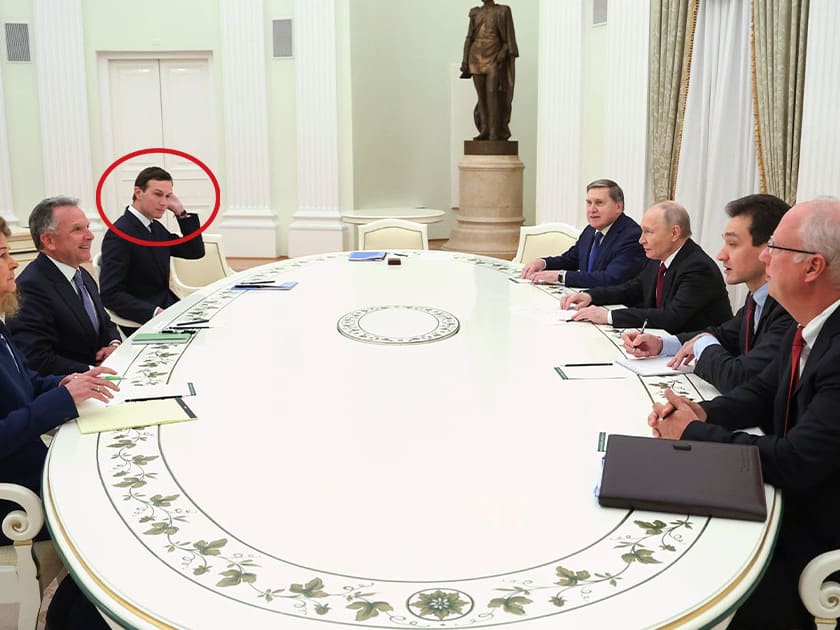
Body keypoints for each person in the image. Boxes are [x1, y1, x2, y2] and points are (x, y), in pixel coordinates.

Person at [649, 199, 840, 629]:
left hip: (814, 530)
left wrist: (696, 433)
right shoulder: (807, 323)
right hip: (792, 496)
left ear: (812, 267)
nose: (766, 257)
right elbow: (759, 392)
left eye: (777, 248)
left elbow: (796, 460)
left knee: (692, 575)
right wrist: (700, 412)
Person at [0, 215, 117, 628]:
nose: (14, 263)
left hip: (30, 466)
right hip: (13, 497)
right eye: (3, 255)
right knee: (111, 512)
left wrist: (65, 382)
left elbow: (26, 379)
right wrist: (60, 400)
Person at [622, 194, 794, 393]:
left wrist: (702, 344)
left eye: (733, 244)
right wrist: (661, 344)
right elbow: (725, 334)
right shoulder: (757, 297)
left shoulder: (790, 308)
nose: (721, 255)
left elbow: (739, 378)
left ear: (769, 250)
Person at [561, 201, 732, 333]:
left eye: (649, 232)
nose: (641, 240)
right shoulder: (658, 256)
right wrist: (591, 296)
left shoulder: (697, 268)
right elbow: (632, 289)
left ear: (674, 233)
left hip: (698, 356)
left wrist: (608, 316)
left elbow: (671, 317)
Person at [8, 197, 122, 376]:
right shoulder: (30, 287)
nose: (90, 236)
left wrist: (113, 345)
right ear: (49, 241)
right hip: (70, 383)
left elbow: (105, 322)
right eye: (77, 229)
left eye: (87, 227)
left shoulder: (81, 274)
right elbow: (36, 358)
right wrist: (93, 371)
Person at [100, 166, 205, 331]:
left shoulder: (155, 227)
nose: (164, 203)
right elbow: (110, 294)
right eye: (157, 194)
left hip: (168, 309)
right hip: (143, 321)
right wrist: (155, 313)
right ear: (138, 192)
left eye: (168, 196)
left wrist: (181, 213)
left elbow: (194, 251)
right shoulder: (119, 234)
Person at [520, 179, 647, 288]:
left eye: (599, 203)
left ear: (618, 207)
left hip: (615, 304)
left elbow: (610, 278)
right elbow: (570, 260)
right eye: (589, 203)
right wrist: (542, 263)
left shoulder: (632, 235)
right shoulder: (590, 230)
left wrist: (560, 276)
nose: (592, 209)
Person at [460, 0, 518, 141]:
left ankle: (494, 130)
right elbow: (469, 38)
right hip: (476, 57)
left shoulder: (502, 11)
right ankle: (485, 129)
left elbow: (508, 39)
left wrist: (504, 50)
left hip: (493, 56)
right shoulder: (475, 12)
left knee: (492, 92)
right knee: (481, 96)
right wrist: (465, 59)